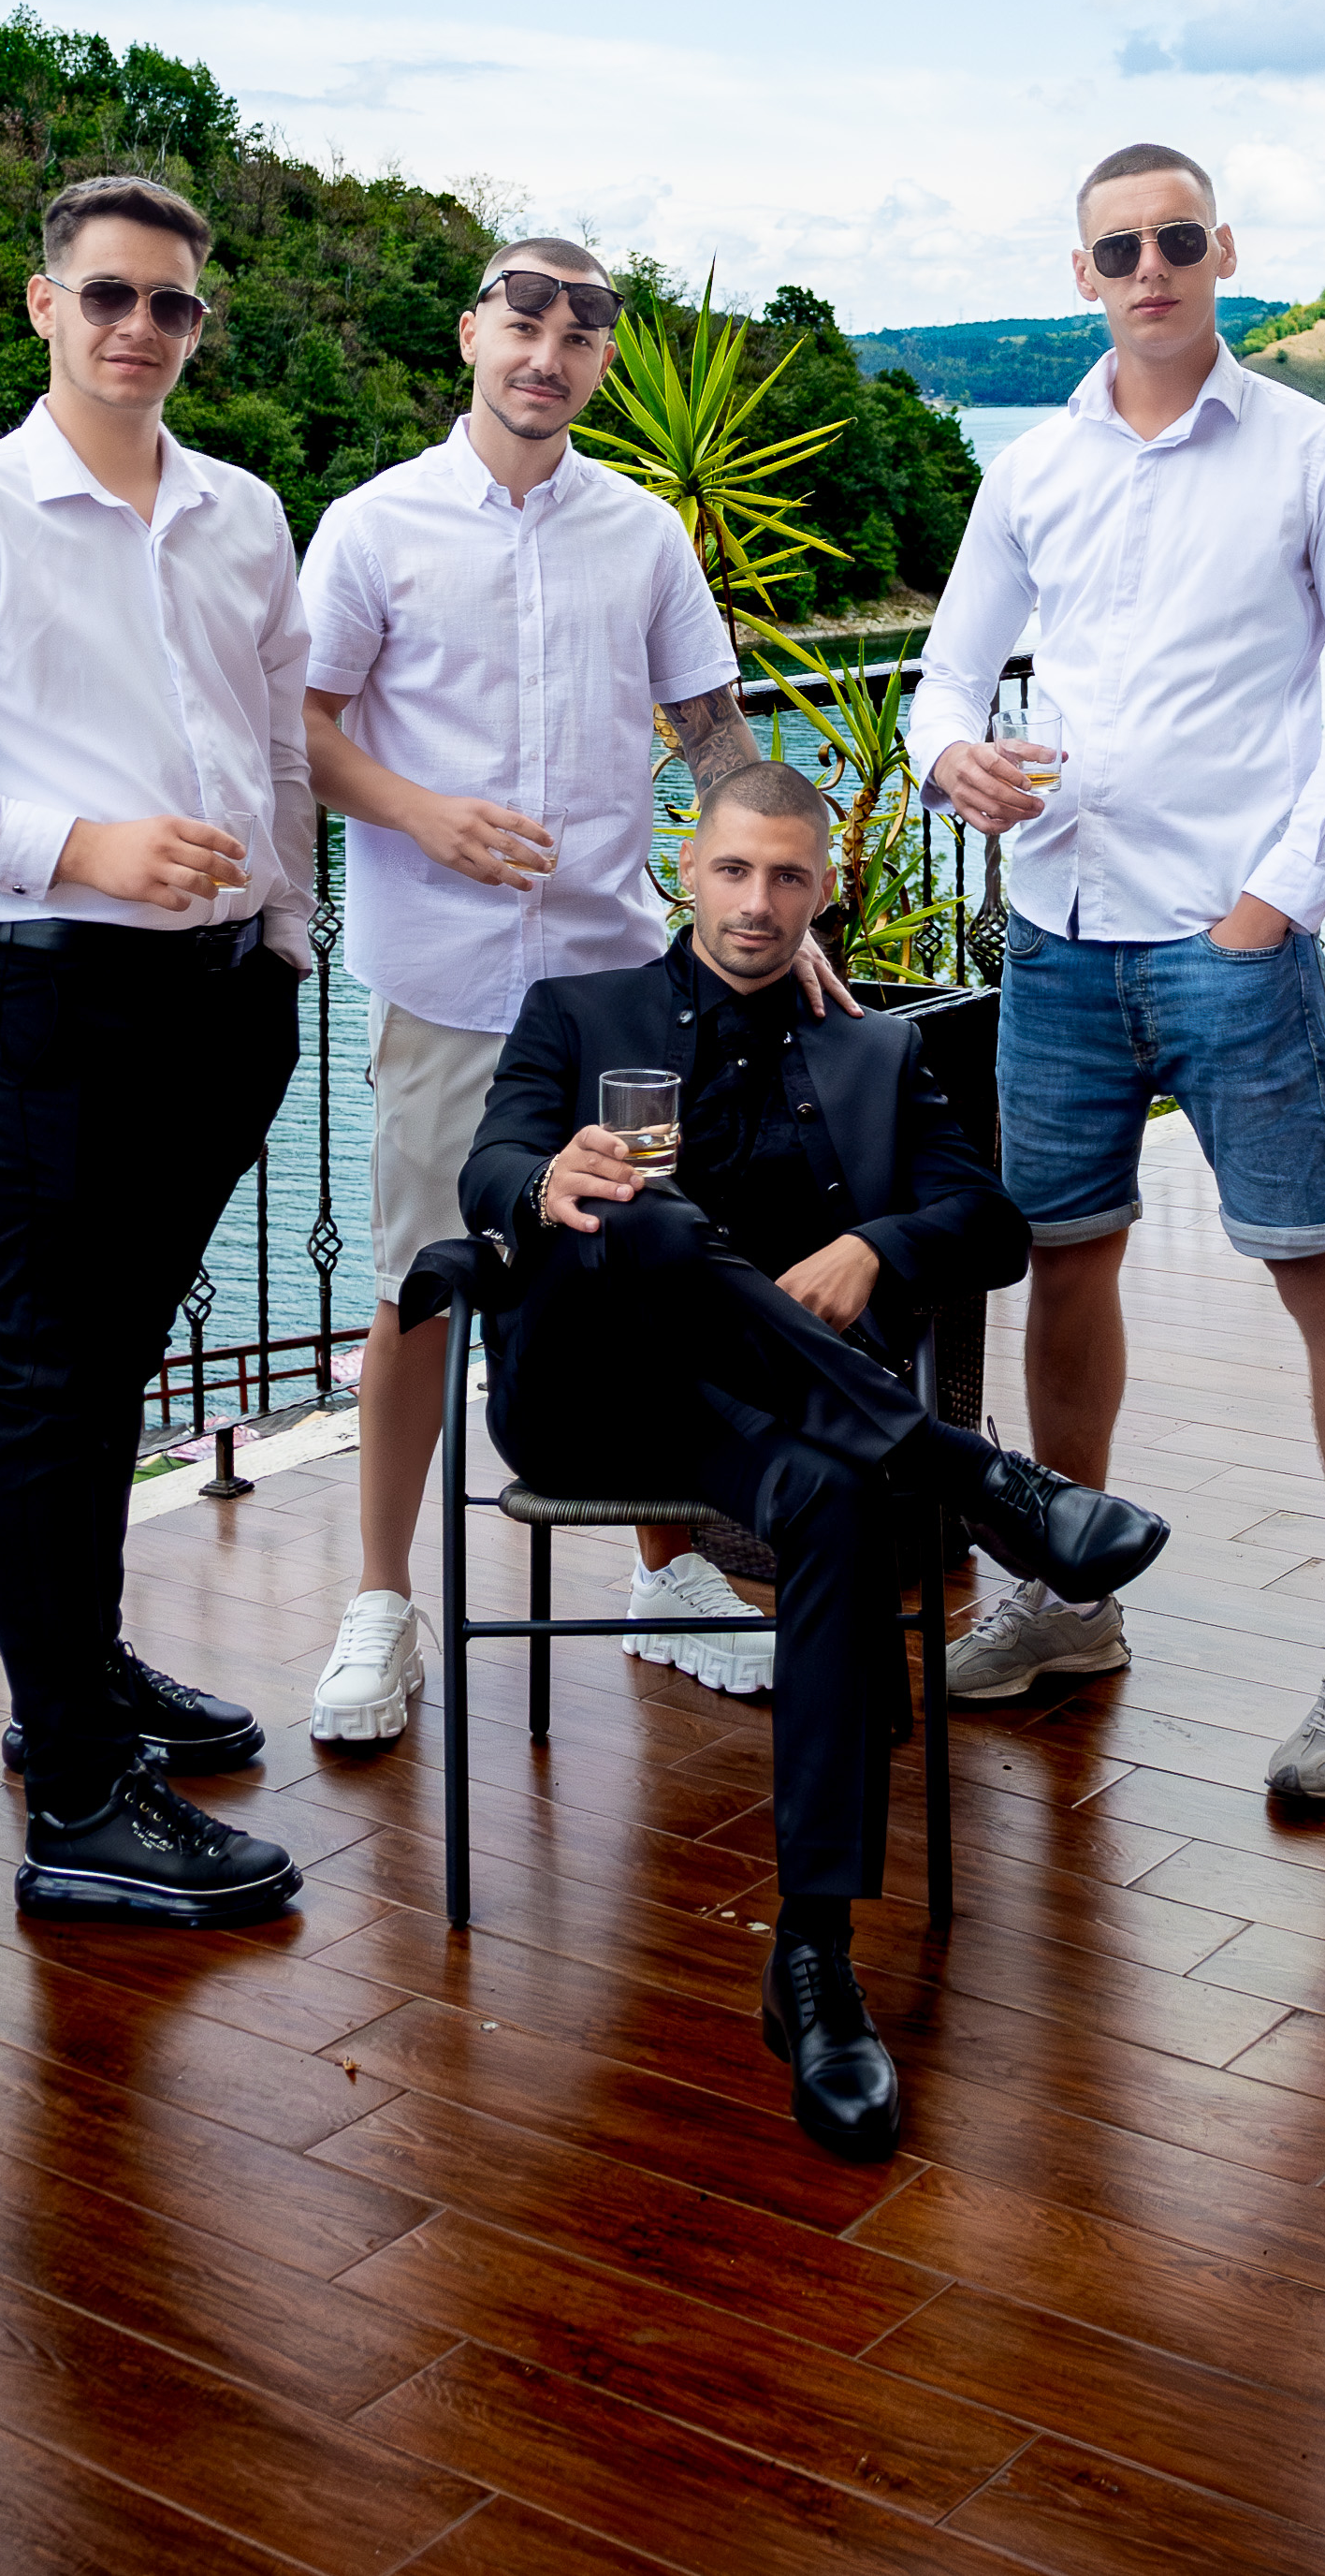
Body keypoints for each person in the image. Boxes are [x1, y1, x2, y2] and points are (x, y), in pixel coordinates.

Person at [444, 757, 1169, 2157]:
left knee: (837, 1498)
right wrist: (546, 1180)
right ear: (687, 870)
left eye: (787, 876)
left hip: (770, 1423)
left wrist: (874, 1247)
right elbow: (486, 1173)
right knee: (646, 1215)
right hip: (587, 1393)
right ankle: (972, 1474)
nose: (756, 902)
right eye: (732, 869)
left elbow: (991, 1225)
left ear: (823, 890)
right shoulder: (578, 1013)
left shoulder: (873, 1055)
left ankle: (816, 1960)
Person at [907, 143, 1325, 1802]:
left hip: (1227, 942)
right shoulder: (1033, 466)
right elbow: (946, 675)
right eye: (1120, 248)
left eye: (1178, 241)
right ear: (1083, 274)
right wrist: (948, 760)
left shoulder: (1320, 455)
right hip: (1060, 937)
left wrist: (1275, 903)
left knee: (1318, 1271)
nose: (1151, 269)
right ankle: (1071, 1605)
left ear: (1223, 253)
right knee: (1064, 1265)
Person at [0, 174, 309, 1933]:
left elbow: (277, 743)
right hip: (57, 999)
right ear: (45, 304)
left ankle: (76, 1680)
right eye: (108, 293)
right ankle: (85, 1803)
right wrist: (77, 845)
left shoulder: (245, 514)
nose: (140, 326)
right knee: (52, 1380)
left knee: (109, 1368)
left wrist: (283, 941)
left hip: (223, 1004)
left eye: (172, 302)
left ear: (198, 322)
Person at [295, 239, 856, 1745]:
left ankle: (667, 1578)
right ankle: (382, 1602)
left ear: (603, 360)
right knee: (424, 1284)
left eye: (580, 334)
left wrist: (771, 893)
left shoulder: (642, 533)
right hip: (448, 984)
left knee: (647, 1276)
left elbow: (711, 727)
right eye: (524, 325)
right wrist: (421, 814)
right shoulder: (374, 526)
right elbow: (301, 726)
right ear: (471, 334)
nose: (547, 355)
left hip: (617, 987)